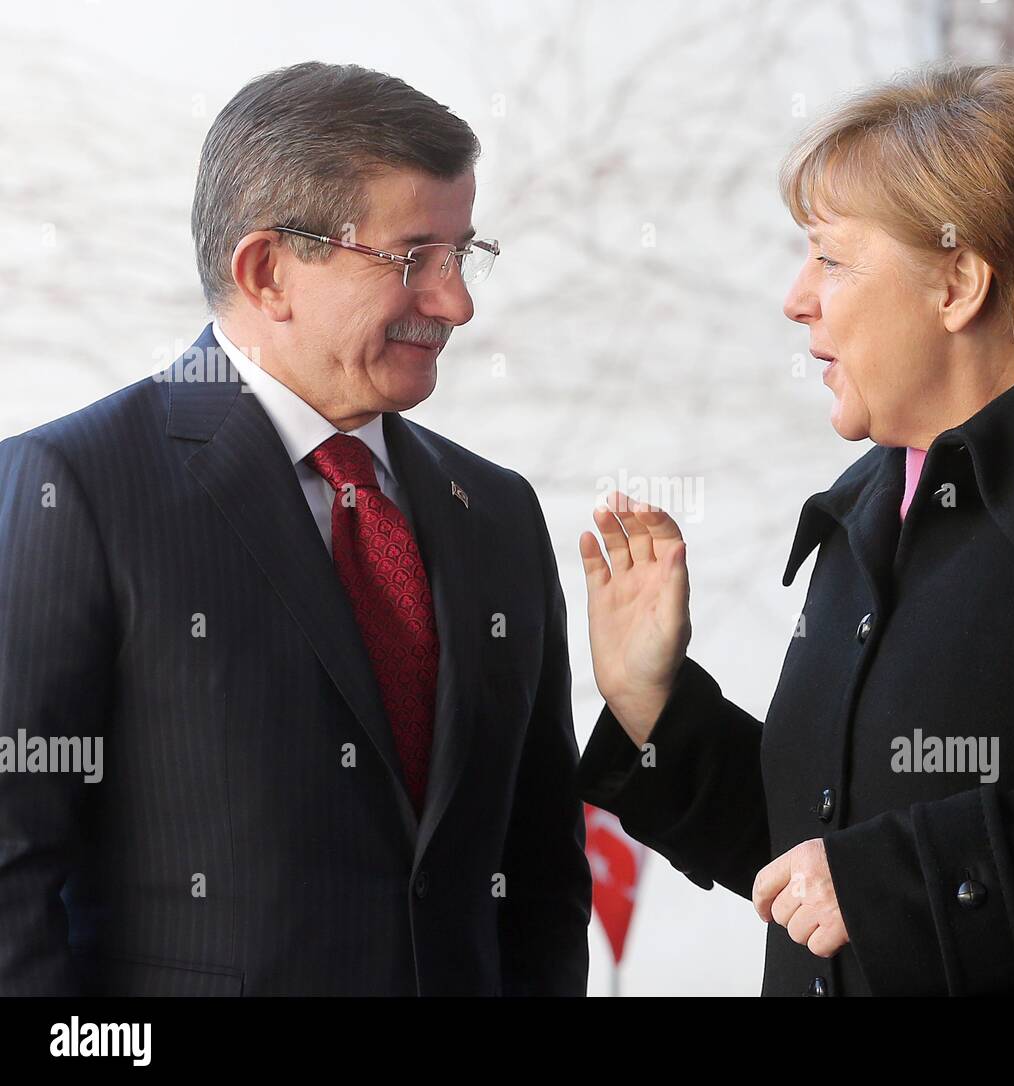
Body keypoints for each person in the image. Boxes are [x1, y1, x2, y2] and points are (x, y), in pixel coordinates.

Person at [576, 63, 1014, 996]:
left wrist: (906, 880)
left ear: (958, 280)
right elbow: (823, 864)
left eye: (830, 257)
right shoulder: (880, 495)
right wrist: (655, 710)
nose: (797, 298)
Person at [0, 61, 590, 996]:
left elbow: (543, 872)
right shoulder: (72, 489)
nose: (457, 303)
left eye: (463, 254)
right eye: (412, 259)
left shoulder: (501, 514)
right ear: (268, 271)